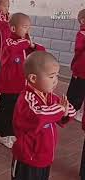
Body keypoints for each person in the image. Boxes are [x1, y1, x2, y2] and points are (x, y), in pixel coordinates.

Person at [12, 51, 76, 180]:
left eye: (57, 76)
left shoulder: (50, 97)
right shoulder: (27, 98)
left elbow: (71, 111)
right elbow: (39, 116)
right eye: (51, 77)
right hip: (28, 159)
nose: (55, 81)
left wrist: (63, 111)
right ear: (33, 78)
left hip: (45, 157)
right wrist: (60, 109)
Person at [0, 13, 45, 148]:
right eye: (24, 27)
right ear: (13, 29)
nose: (27, 30)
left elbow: (40, 50)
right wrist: (27, 42)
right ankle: (4, 134)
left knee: (17, 110)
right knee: (6, 109)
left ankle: (12, 132)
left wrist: (33, 46)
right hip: (8, 85)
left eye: (29, 27)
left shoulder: (24, 43)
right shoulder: (10, 41)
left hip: (21, 85)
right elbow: (13, 47)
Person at [67, 8, 85, 180]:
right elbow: (79, 50)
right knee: (75, 93)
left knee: (81, 93)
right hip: (80, 70)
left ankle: (78, 110)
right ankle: (69, 110)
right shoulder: (81, 34)